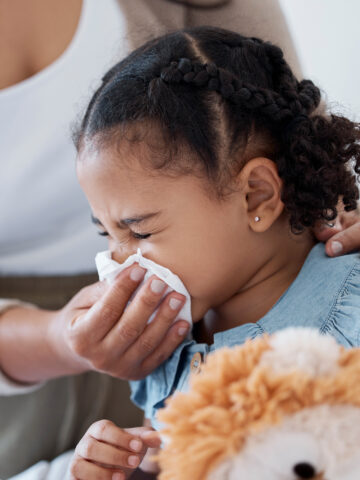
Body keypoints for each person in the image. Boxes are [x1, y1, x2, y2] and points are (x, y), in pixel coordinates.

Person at [0, 0, 359, 477]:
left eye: (140, 230)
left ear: (256, 196)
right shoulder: (171, 355)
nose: (115, 259)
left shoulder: (349, 318)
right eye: (105, 233)